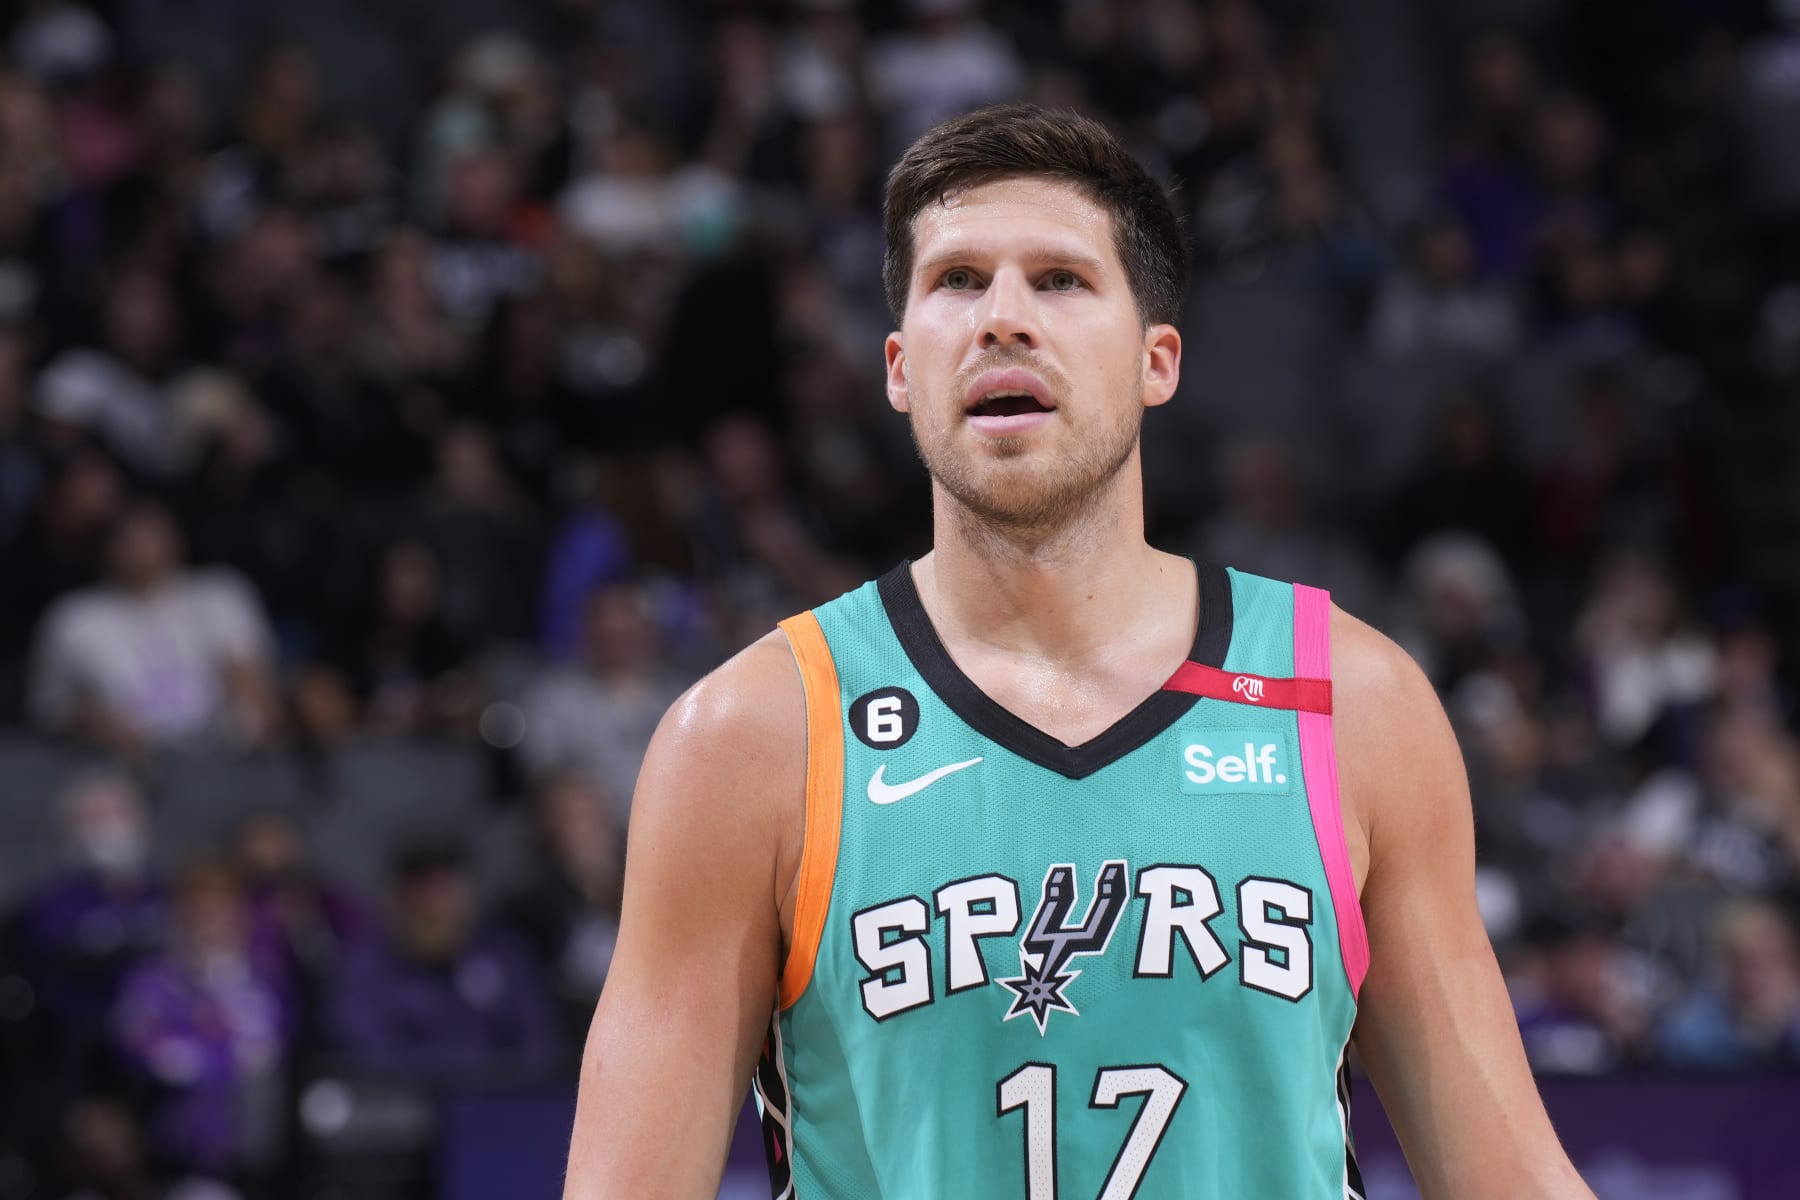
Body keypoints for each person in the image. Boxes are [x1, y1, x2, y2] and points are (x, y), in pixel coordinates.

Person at [565, 104, 1592, 1199]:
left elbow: (1508, 1180)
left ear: (1158, 361)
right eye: (958, 281)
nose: (1003, 317)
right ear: (901, 367)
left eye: (1061, 279)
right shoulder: (752, 736)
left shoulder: (1351, 701)